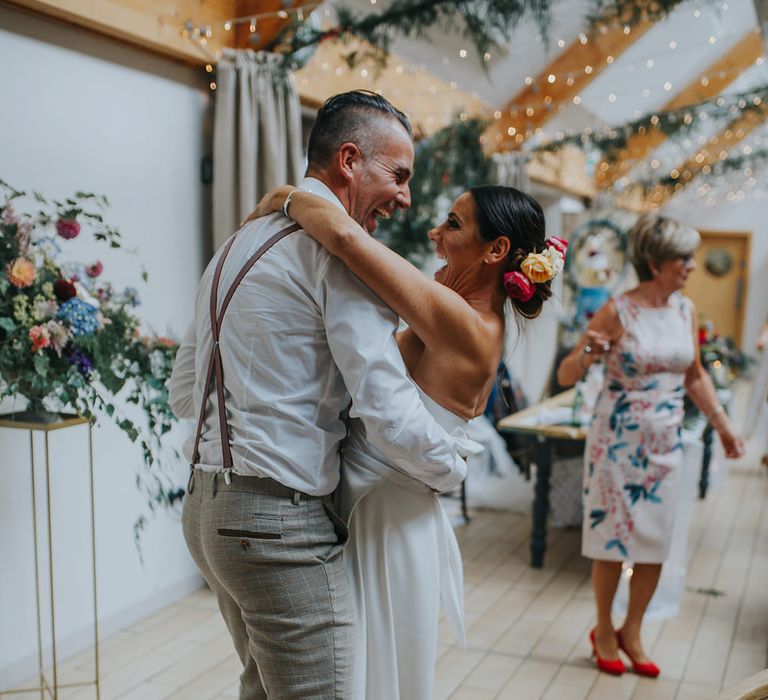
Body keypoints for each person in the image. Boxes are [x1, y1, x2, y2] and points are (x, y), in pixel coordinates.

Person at [168, 91, 476, 700]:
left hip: (207, 514)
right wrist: (451, 468)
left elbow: (184, 391)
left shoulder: (237, 242)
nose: (406, 197)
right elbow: (387, 408)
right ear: (350, 160)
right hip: (277, 526)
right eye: (399, 175)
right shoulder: (337, 256)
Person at [248, 181, 563, 698]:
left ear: (496, 251)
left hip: (385, 522)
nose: (436, 235)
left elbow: (348, 243)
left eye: (454, 225)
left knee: (363, 675)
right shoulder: (470, 318)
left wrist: (282, 198)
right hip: (388, 513)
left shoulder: (461, 319)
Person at [557, 213, 744, 678]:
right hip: (617, 442)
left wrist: (722, 425)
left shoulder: (684, 309)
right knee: (612, 539)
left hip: (665, 441)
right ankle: (603, 629)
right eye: (684, 258)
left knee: (655, 543)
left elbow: (694, 374)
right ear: (655, 262)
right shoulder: (618, 310)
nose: (692, 266)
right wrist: (588, 353)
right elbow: (566, 374)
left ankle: (632, 629)